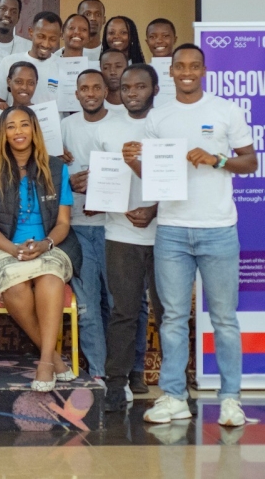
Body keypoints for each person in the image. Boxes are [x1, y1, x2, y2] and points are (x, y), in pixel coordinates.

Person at [133, 44, 257, 427]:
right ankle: (174, 397)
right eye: (180, 66)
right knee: (171, 317)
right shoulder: (159, 117)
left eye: (194, 66)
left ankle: (231, 400)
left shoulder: (225, 110)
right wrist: (133, 163)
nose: (187, 71)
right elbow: (154, 177)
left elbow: (250, 162)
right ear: (169, 72)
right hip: (171, 230)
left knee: (223, 318)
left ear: (204, 70)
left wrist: (217, 159)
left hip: (218, 229)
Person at [0, 105, 82, 391]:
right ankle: (56, 359)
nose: (18, 131)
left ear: (34, 129)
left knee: (49, 277)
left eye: (24, 125)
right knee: (17, 285)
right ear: (3, 133)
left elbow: (62, 223)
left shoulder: (57, 168)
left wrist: (45, 244)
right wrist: (13, 249)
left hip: (50, 244)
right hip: (1, 247)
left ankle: (45, 361)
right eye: (11, 126)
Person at [95, 64, 164, 412]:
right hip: (120, 231)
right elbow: (105, 181)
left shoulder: (167, 125)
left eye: (140, 86)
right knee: (123, 312)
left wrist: (155, 209)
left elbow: (180, 179)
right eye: (126, 87)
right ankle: (115, 383)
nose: (132, 92)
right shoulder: (107, 128)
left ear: (154, 88)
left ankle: (174, 388)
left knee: (169, 312)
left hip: (166, 232)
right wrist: (114, 207)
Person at [60, 69, 112, 380]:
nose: (90, 93)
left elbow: (133, 173)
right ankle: (99, 374)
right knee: (88, 306)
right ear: (76, 93)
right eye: (84, 88)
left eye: (96, 87)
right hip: (76, 227)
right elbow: (48, 177)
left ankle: (121, 373)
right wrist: (69, 182)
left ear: (106, 90)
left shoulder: (119, 125)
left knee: (118, 305)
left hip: (116, 227)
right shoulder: (64, 127)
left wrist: (103, 197)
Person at [0, 12, 62, 105]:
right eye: (41, 36)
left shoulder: (63, 66)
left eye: (52, 39)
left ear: (59, 37)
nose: (45, 44)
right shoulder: (9, 62)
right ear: (31, 32)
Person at [145, 18, 178, 109]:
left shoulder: (183, 70)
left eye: (165, 36)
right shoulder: (143, 72)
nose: (159, 41)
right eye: (153, 37)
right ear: (147, 42)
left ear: (174, 39)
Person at [100, 49, 129, 114]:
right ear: (101, 71)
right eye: (106, 67)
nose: (112, 72)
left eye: (118, 66)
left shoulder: (139, 104)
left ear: (127, 69)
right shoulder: (95, 105)